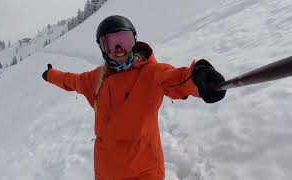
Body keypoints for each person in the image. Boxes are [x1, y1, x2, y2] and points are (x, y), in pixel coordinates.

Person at [42, 15, 226, 180]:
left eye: (123, 40)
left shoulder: (150, 73)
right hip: (105, 172)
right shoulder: (96, 78)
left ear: (134, 41)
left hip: (143, 171)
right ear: (102, 48)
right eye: (110, 43)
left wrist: (199, 77)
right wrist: (51, 75)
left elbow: (176, 78)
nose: (118, 49)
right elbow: (71, 80)